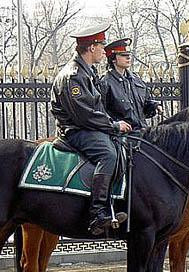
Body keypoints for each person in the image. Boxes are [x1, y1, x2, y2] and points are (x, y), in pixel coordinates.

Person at [50, 23, 131, 235]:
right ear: (92, 47)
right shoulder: (73, 75)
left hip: (90, 128)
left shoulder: (88, 72)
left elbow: (98, 108)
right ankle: (97, 214)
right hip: (76, 131)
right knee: (108, 155)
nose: (105, 51)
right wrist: (113, 125)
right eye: (102, 45)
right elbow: (84, 115)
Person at [101, 38, 161, 130]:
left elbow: (145, 105)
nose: (128, 57)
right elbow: (101, 112)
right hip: (121, 136)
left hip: (142, 131)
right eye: (123, 55)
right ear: (113, 59)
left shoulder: (136, 79)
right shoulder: (105, 82)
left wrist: (153, 106)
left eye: (129, 55)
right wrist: (115, 125)